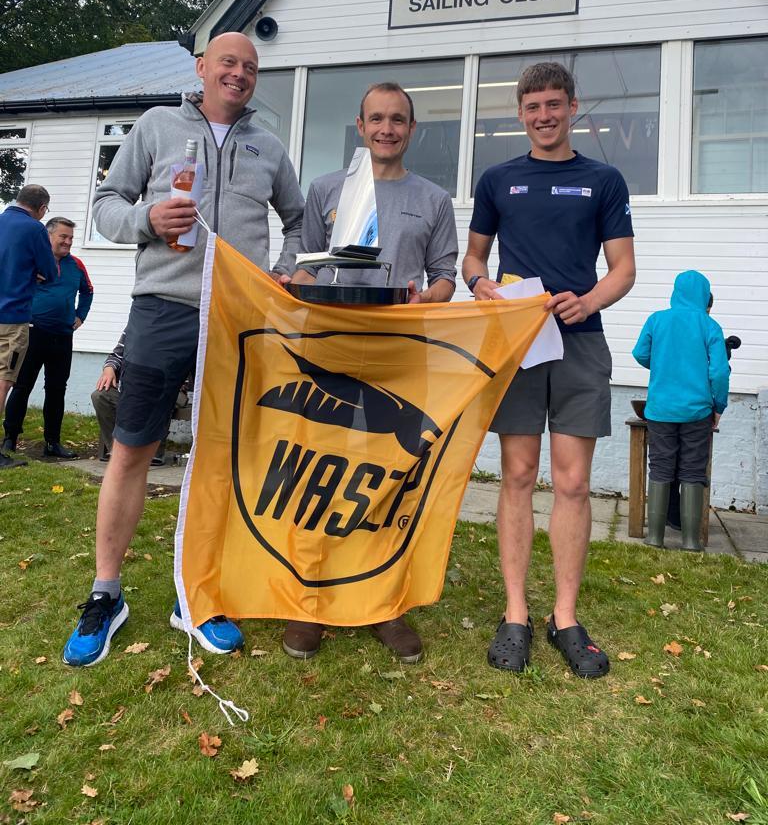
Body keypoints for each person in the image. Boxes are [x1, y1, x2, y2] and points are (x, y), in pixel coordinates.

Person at [62, 31, 305, 668]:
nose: (240, 73)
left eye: (250, 67)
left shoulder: (268, 147)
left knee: (222, 457)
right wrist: (146, 221)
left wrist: (284, 271)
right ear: (202, 68)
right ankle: (105, 593)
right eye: (228, 62)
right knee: (132, 449)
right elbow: (105, 206)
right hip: (161, 311)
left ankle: (197, 592)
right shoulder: (155, 125)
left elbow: (302, 221)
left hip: (239, 315)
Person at [462, 61, 635, 678]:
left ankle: (565, 617)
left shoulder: (603, 180)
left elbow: (622, 268)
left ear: (572, 107)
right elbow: (473, 258)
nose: (544, 116)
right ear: (520, 112)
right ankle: (515, 615)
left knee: (573, 483)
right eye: (533, 106)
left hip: (581, 343)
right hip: (518, 343)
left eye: (554, 105)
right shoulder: (498, 179)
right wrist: (482, 285)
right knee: (516, 474)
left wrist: (588, 301)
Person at [288, 81, 458, 663]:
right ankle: (309, 600)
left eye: (398, 120)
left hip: (400, 355)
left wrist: (426, 301)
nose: (387, 129)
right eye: (376, 119)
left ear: (412, 130)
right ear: (359, 127)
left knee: (388, 477)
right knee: (319, 470)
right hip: (331, 351)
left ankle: (385, 603)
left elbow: (445, 276)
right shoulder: (326, 190)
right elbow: (303, 265)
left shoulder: (433, 199)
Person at [632, 271, 729, 551]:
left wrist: (664, 365)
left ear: (675, 292)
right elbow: (720, 372)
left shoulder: (657, 320)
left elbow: (639, 353)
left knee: (661, 467)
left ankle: (655, 537)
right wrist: (718, 406)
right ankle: (690, 541)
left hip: (660, 409)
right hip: (697, 411)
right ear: (703, 295)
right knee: (692, 469)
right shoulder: (710, 326)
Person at [3, 217, 93, 460]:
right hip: (33, 333)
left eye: (71, 238)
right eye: (63, 236)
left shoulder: (76, 265)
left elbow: (88, 291)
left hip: (63, 336)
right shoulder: (33, 263)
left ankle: (52, 443)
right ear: (48, 237)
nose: (68, 242)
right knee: (22, 386)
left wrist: (80, 316)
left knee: (56, 390)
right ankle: (10, 438)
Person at [0, 185, 59, 470]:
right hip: (11, 318)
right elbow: (50, 271)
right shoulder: (34, 229)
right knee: (3, 381)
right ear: (42, 208)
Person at [91, 328, 190, 465]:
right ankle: (117, 449)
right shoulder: (136, 326)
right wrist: (109, 369)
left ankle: (153, 452)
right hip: (132, 387)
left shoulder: (178, 328)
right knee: (101, 396)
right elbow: (116, 355)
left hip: (169, 387)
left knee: (157, 393)